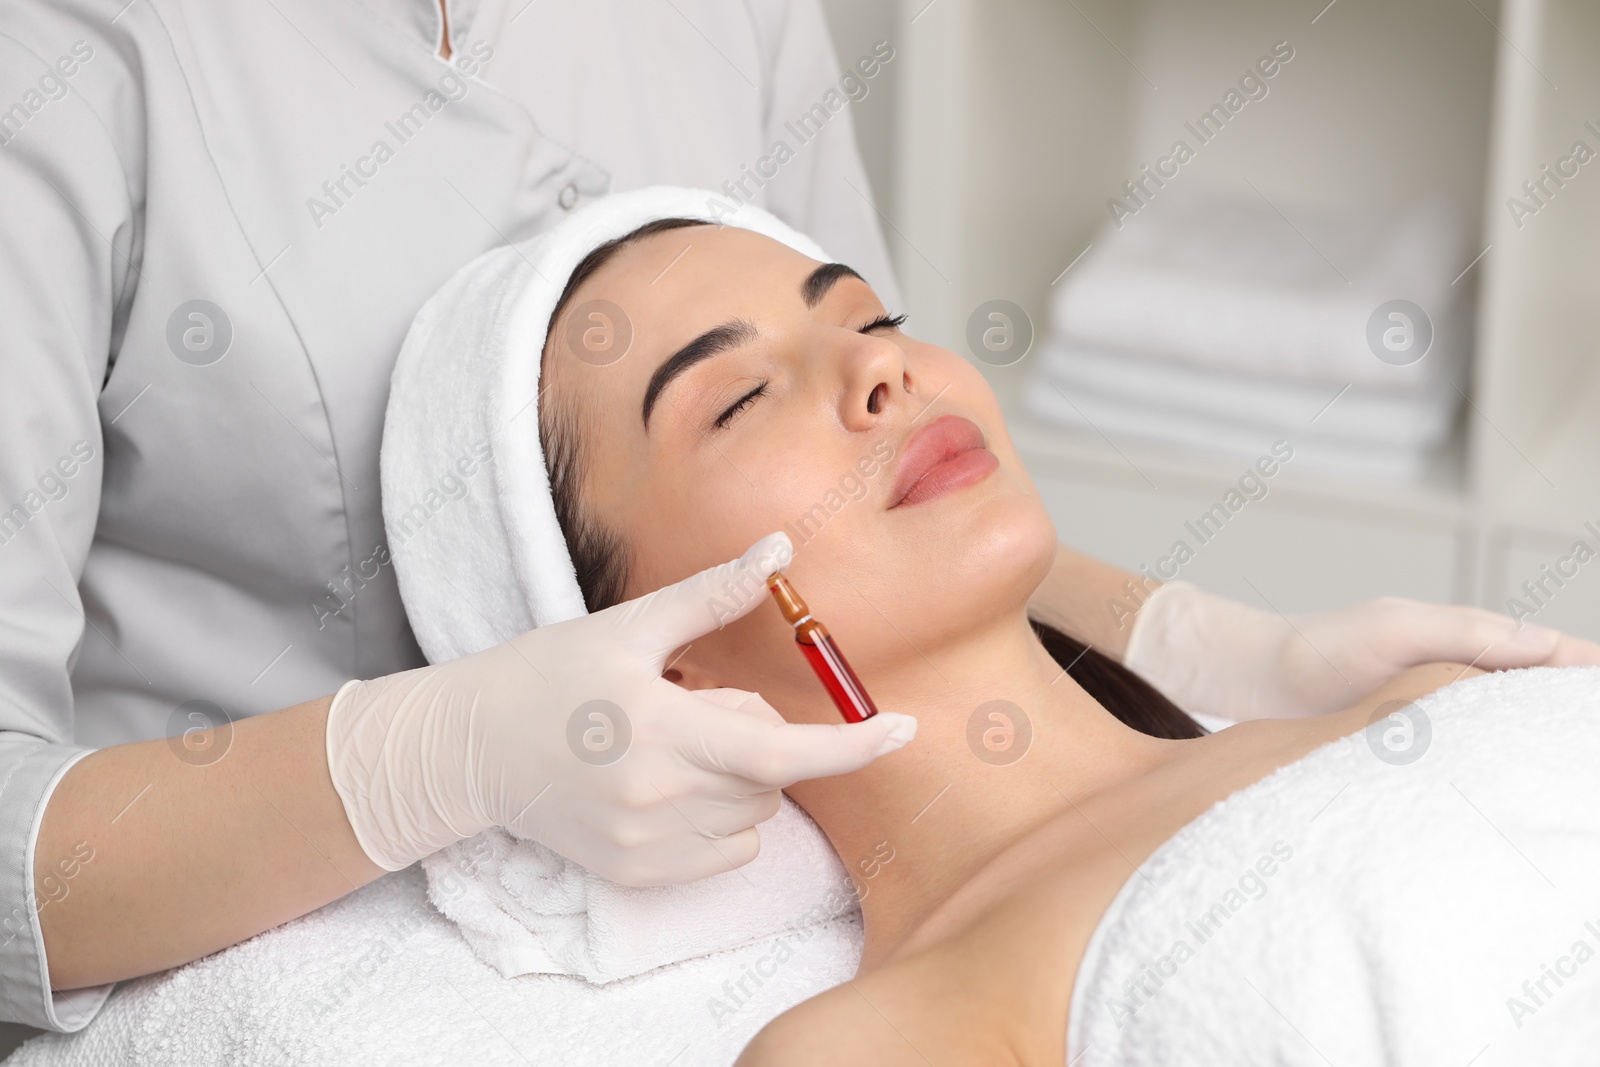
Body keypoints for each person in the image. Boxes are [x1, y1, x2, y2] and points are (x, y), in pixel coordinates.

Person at [1, 0, 1591, 1041]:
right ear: (653, 667)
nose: (883, 375)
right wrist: (448, 753)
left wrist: (1208, 644)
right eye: (730, 399)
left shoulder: (1450, 720)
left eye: (878, 316)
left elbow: (882, 500)